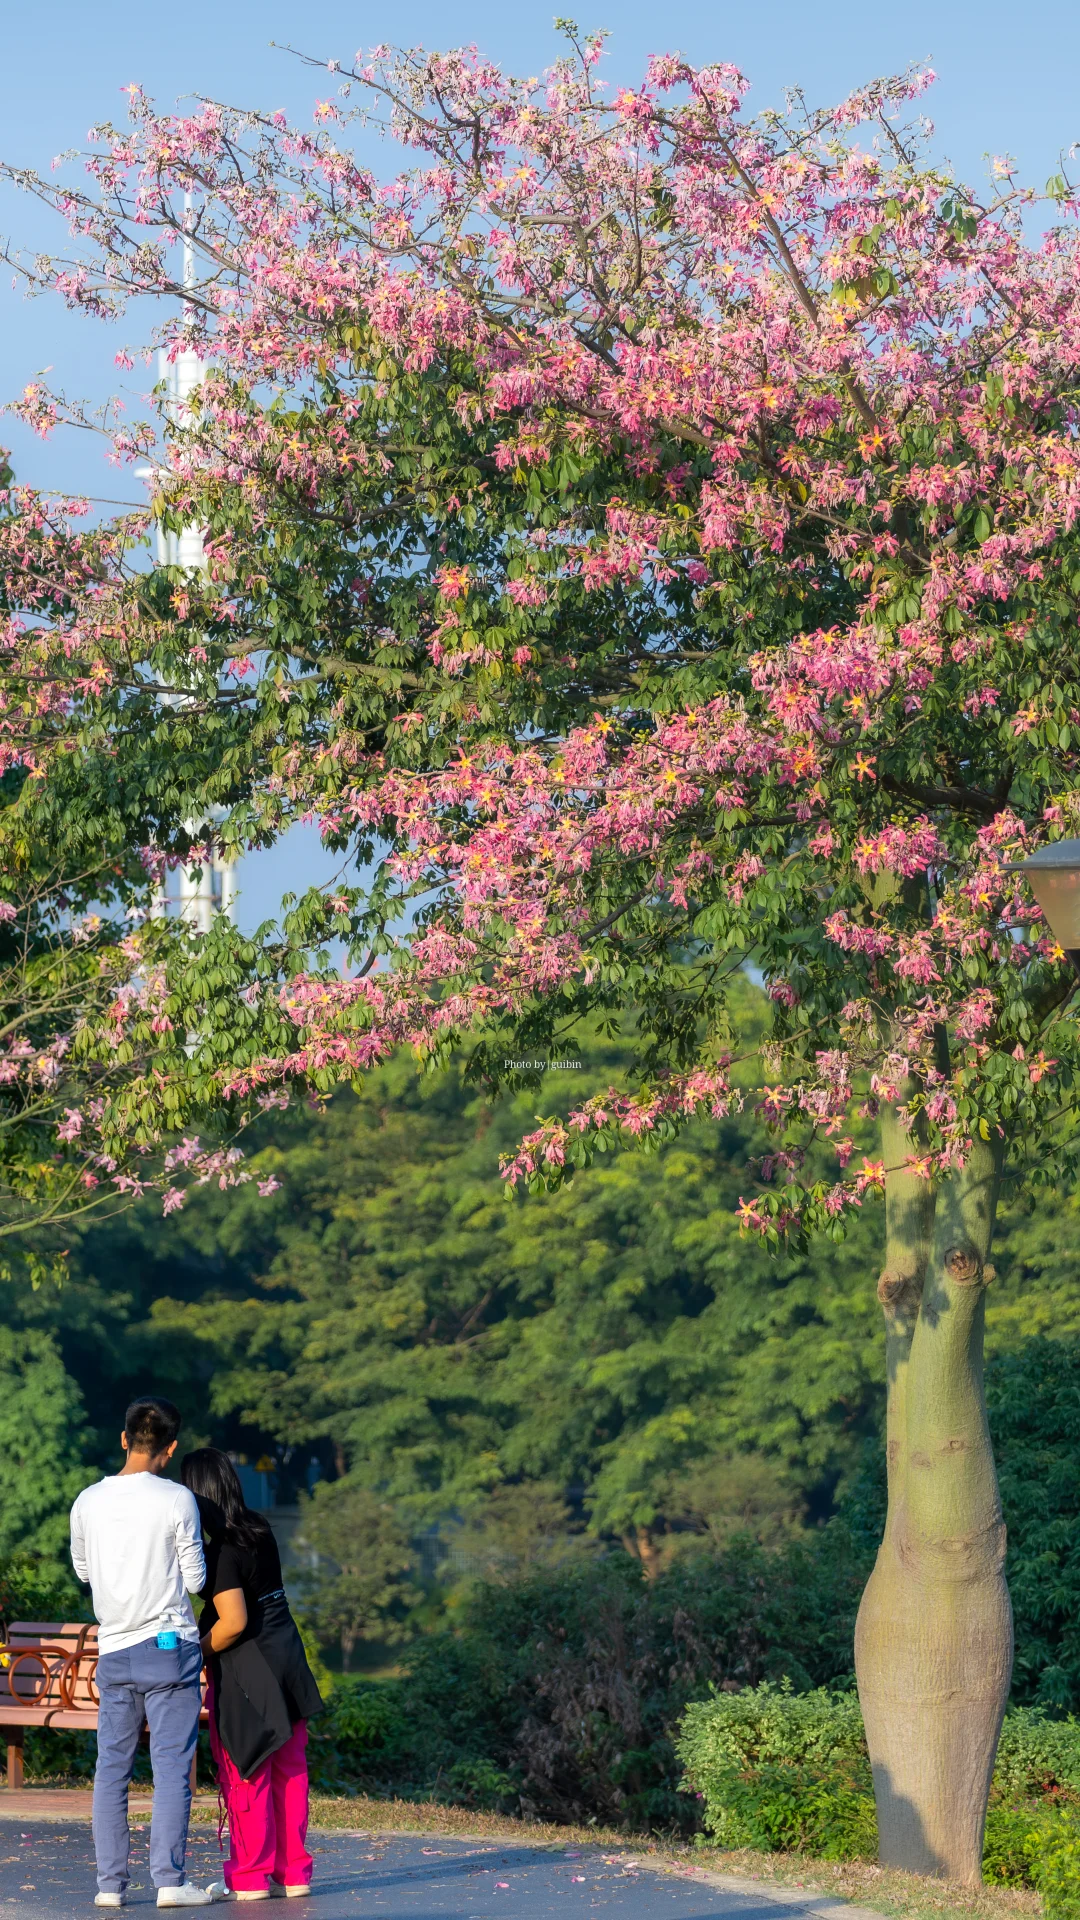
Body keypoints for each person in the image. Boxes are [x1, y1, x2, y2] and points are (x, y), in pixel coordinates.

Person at [70, 1396, 226, 1910]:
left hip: (114, 1649)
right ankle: (168, 1881)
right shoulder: (177, 1499)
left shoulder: (87, 1501)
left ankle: (109, 1886)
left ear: (124, 1438)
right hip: (168, 1648)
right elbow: (197, 1579)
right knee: (171, 1768)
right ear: (171, 1447)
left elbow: (84, 1571)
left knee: (111, 1769)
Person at [180, 1449, 324, 1901]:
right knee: (289, 1768)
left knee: (247, 1771)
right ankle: (293, 1873)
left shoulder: (222, 1551)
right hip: (287, 1658)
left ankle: (250, 1876)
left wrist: (193, 1652)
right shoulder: (259, 1528)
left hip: (249, 1672)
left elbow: (233, 1622)